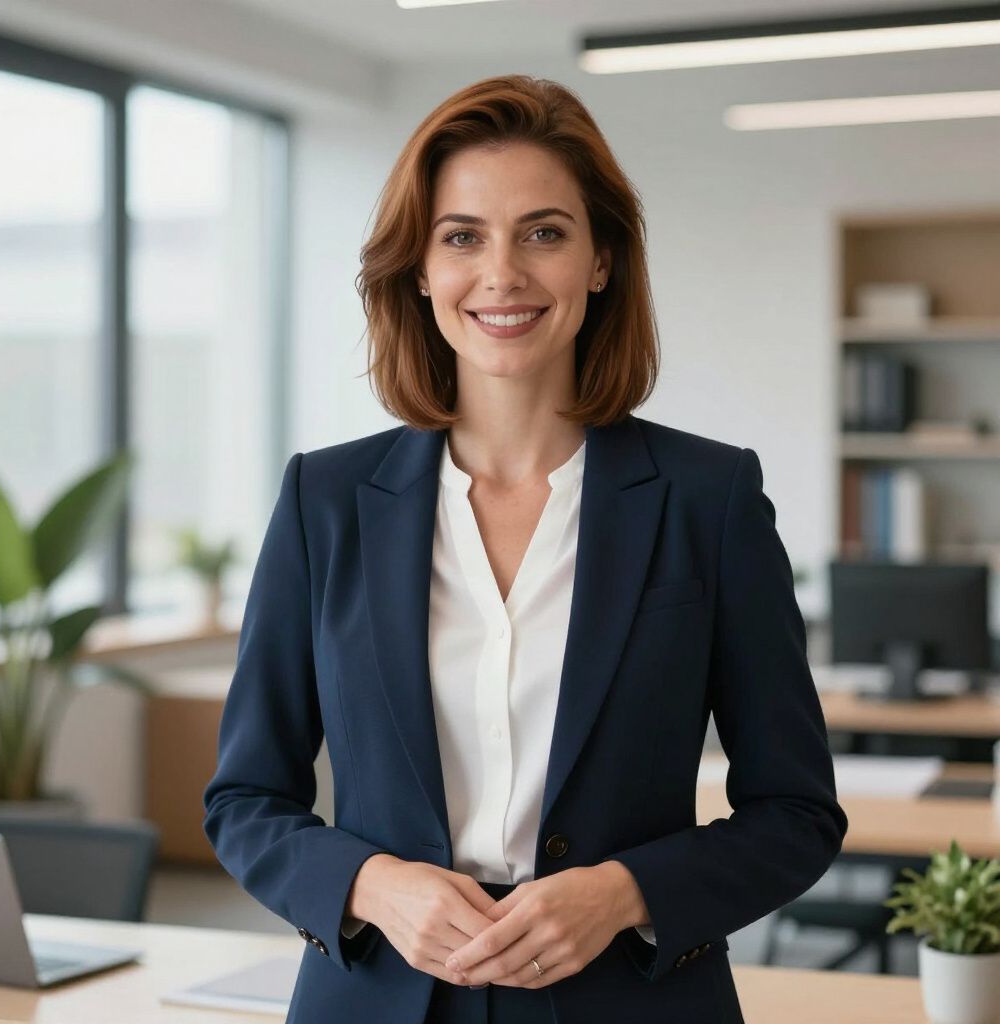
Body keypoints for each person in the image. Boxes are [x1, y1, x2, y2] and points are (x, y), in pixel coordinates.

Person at [202, 74, 847, 1024]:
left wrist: (626, 893)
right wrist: (374, 884)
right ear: (419, 270)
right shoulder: (325, 500)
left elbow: (796, 814)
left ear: (599, 261)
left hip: (628, 995)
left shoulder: (708, 499)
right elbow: (246, 798)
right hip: (379, 992)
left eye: (544, 232)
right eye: (462, 236)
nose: (502, 273)